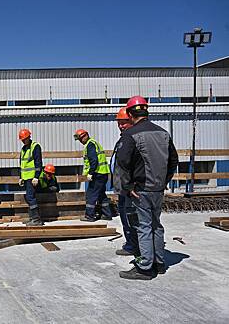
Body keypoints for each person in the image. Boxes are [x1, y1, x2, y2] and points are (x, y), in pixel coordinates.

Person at [117, 96, 178, 280]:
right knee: (156, 225)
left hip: (141, 189)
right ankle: (159, 263)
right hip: (157, 188)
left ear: (129, 113)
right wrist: (164, 181)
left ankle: (145, 267)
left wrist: (127, 186)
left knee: (143, 226)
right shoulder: (163, 133)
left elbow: (122, 162)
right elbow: (173, 160)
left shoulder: (131, 135)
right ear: (146, 111)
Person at [111, 107, 139, 256]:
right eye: (119, 123)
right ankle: (130, 243)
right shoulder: (123, 138)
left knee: (130, 216)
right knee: (124, 215)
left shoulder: (132, 139)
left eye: (124, 123)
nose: (121, 126)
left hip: (128, 188)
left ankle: (133, 246)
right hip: (122, 186)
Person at [74, 129, 112, 222]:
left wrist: (90, 173)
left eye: (80, 138)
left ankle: (89, 216)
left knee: (91, 195)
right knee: (101, 194)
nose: (80, 141)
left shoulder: (90, 145)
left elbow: (93, 160)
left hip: (97, 174)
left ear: (85, 136)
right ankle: (107, 214)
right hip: (103, 173)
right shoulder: (94, 143)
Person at [18, 128, 44, 226]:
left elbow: (38, 163)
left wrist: (36, 177)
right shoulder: (24, 149)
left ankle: (36, 220)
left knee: (30, 197)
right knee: (29, 198)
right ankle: (32, 218)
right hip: (26, 178)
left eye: (25, 139)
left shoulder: (35, 147)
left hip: (32, 178)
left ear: (29, 137)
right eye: (22, 140)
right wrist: (21, 177)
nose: (24, 141)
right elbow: (22, 164)